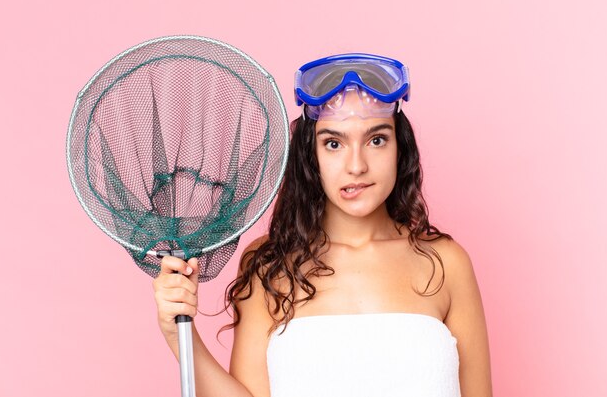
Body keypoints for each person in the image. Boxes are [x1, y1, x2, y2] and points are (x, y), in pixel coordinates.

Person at [153, 53, 493, 397]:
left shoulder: (448, 263)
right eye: (334, 143)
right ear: (311, 156)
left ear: (399, 147)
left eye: (376, 140)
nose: (356, 165)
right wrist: (179, 336)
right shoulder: (271, 265)